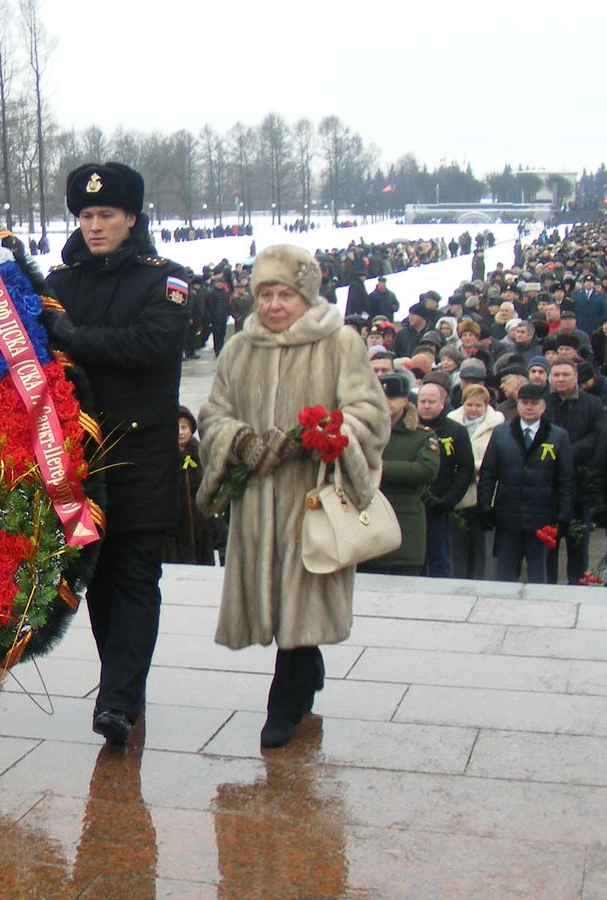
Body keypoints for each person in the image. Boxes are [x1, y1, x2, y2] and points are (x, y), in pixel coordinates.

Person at [197, 244, 389, 749]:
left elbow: (369, 412)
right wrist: (241, 441)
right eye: (265, 294)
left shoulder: (340, 343)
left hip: (312, 499)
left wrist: (322, 433)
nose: (274, 305)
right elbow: (213, 414)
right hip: (258, 501)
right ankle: (306, 669)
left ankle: (284, 703)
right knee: (274, 600)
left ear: (307, 295)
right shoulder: (239, 348)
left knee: (301, 599)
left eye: (285, 294)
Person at [43, 161, 190, 746]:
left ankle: (120, 698)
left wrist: (78, 340)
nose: (95, 225)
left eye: (106, 215)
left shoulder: (165, 279)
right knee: (99, 582)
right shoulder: (59, 284)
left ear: (131, 217)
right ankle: (120, 684)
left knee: (134, 576)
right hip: (79, 459)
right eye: (86, 215)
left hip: (140, 454)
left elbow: (152, 344)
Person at [477, 383, 574, 584]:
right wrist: (485, 506)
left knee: (539, 572)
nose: (528, 407)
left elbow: (566, 479)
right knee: (504, 571)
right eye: (524, 402)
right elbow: (488, 473)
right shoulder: (502, 433)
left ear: (543, 406)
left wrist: (564, 515)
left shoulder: (557, 436)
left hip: (541, 516)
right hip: (507, 514)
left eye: (534, 403)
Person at [361, 374, 440, 576]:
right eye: (382, 396)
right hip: (367, 525)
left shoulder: (421, 436)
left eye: (393, 397)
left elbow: (426, 470)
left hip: (405, 527)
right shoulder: (364, 432)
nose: (387, 402)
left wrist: (379, 468)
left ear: (405, 400)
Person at [544, 359, 607, 584]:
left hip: (580, 484)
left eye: (565, 375)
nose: (560, 379)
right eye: (556, 375)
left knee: (578, 543)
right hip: (549, 485)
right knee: (548, 543)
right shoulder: (544, 403)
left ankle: (577, 583)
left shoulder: (593, 404)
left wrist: (568, 453)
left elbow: (598, 435)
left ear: (576, 378)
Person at [416, 381, 474, 578]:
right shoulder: (409, 428)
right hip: (412, 504)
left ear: (442, 404)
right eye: (422, 401)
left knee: (440, 558)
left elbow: (465, 468)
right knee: (416, 559)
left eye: (431, 401)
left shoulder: (455, 431)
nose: (426, 405)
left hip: (440, 505)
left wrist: (449, 499)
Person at [446, 384, 504, 579]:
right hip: (457, 492)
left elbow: (496, 457)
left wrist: (471, 466)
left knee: (482, 546)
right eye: (469, 404)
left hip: (484, 492)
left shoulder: (497, 426)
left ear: (486, 406)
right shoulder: (451, 422)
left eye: (478, 405)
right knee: (457, 545)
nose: (473, 409)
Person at [162, 407, 214, 565]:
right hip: (173, 521)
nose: (180, 432)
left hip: (198, 520)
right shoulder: (165, 455)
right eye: (176, 427)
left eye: (184, 427)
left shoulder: (199, 453)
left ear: (191, 429)